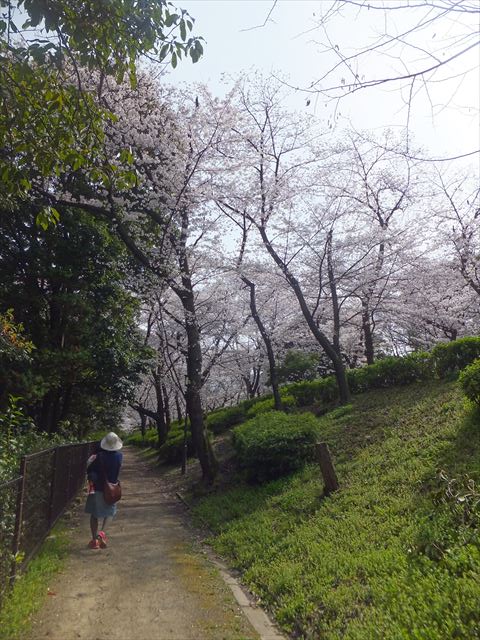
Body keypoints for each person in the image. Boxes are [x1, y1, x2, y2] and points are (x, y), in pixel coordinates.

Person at [84, 432, 123, 550]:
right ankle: (102, 534)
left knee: (94, 514)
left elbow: (88, 466)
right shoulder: (119, 456)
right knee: (110, 512)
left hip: (97, 488)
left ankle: (95, 540)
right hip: (112, 489)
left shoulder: (98, 456)